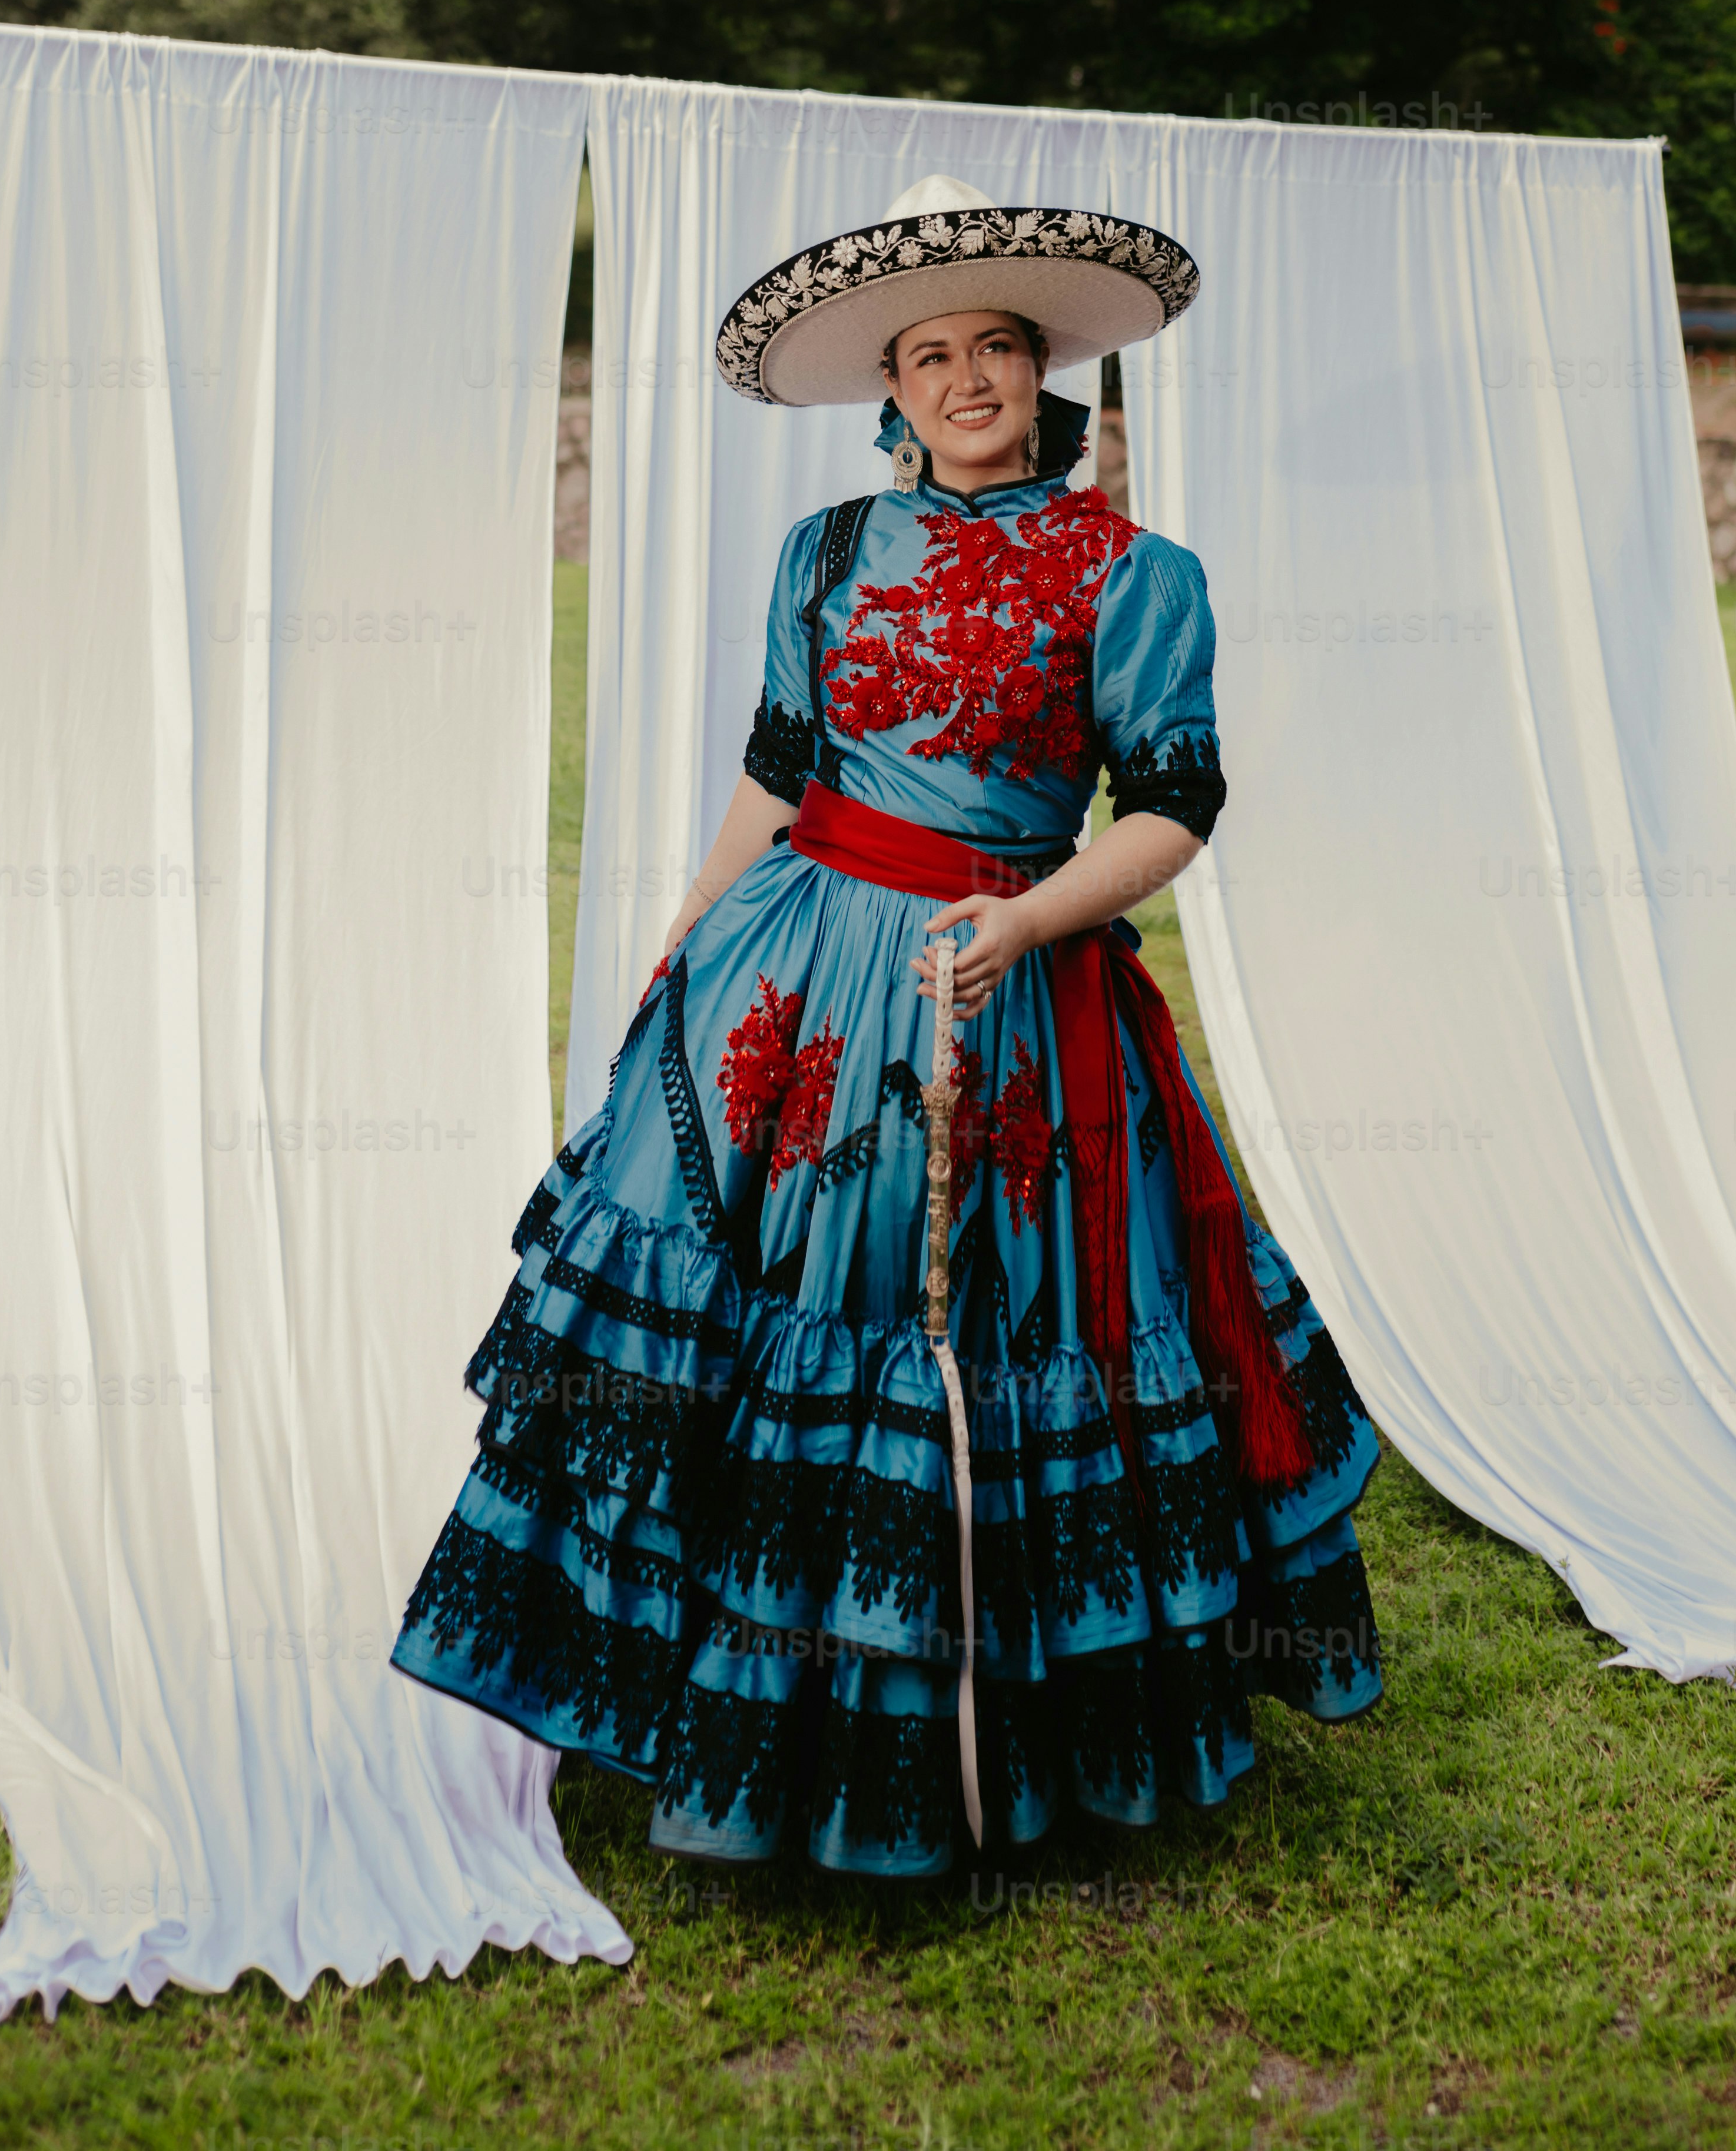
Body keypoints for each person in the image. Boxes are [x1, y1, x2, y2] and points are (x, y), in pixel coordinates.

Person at [393, 176, 1381, 1874]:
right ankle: (715, 1704)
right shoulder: (827, 553)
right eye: (931, 356)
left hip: (1009, 978)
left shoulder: (1137, 575)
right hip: (796, 987)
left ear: (1045, 376)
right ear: (893, 393)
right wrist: (688, 938)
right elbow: (783, 777)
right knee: (750, 1315)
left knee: (988, 1330)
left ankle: (994, 1741)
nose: (968, 378)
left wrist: (1026, 916)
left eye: (997, 346)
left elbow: (1175, 808)